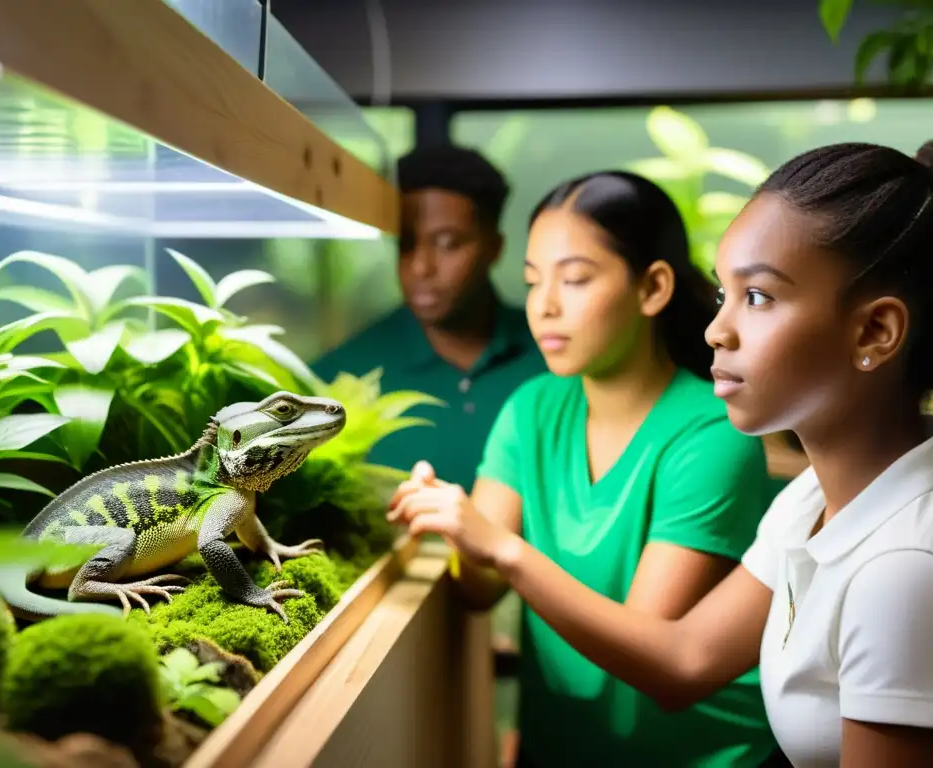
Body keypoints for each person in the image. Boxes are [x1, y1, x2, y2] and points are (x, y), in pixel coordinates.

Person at [390, 142, 933, 767]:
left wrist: (505, 549)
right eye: (724, 294)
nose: (716, 329)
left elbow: (653, 658)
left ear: (875, 332)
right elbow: (685, 661)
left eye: (757, 296)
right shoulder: (808, 502)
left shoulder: (903, 569)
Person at [395, 169, 781, 766]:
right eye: (531, 281)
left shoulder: (711, 434)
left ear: (653, 288)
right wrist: (449, 522)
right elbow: (479, 588)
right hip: (559, 750)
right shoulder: (530, 410)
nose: (544, 305)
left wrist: (502, 547)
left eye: (574, 279)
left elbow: (645, 651)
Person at [310, 145, 546, 490]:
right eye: (406, 244)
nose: (421, 266)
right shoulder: (338, 379)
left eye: (448, 244)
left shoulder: (555, 359)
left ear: (494, 248)